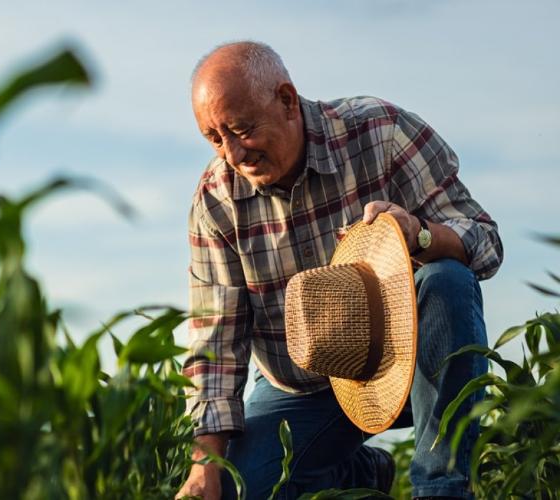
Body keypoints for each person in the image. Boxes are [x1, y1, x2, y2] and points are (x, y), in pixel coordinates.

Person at [175, 41, 503, 500]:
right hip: (301, 387)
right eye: (214, 138)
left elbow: (485, 241)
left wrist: (421, 234)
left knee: (446, 278)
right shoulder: (216, 200)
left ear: (287, 100)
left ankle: (441, 487)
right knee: (242, 489)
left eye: (242, 129)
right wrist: (205, 464)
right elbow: (216, 340)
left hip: (412, 365)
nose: (232, 152)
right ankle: (359, 473)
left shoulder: (380, 132)